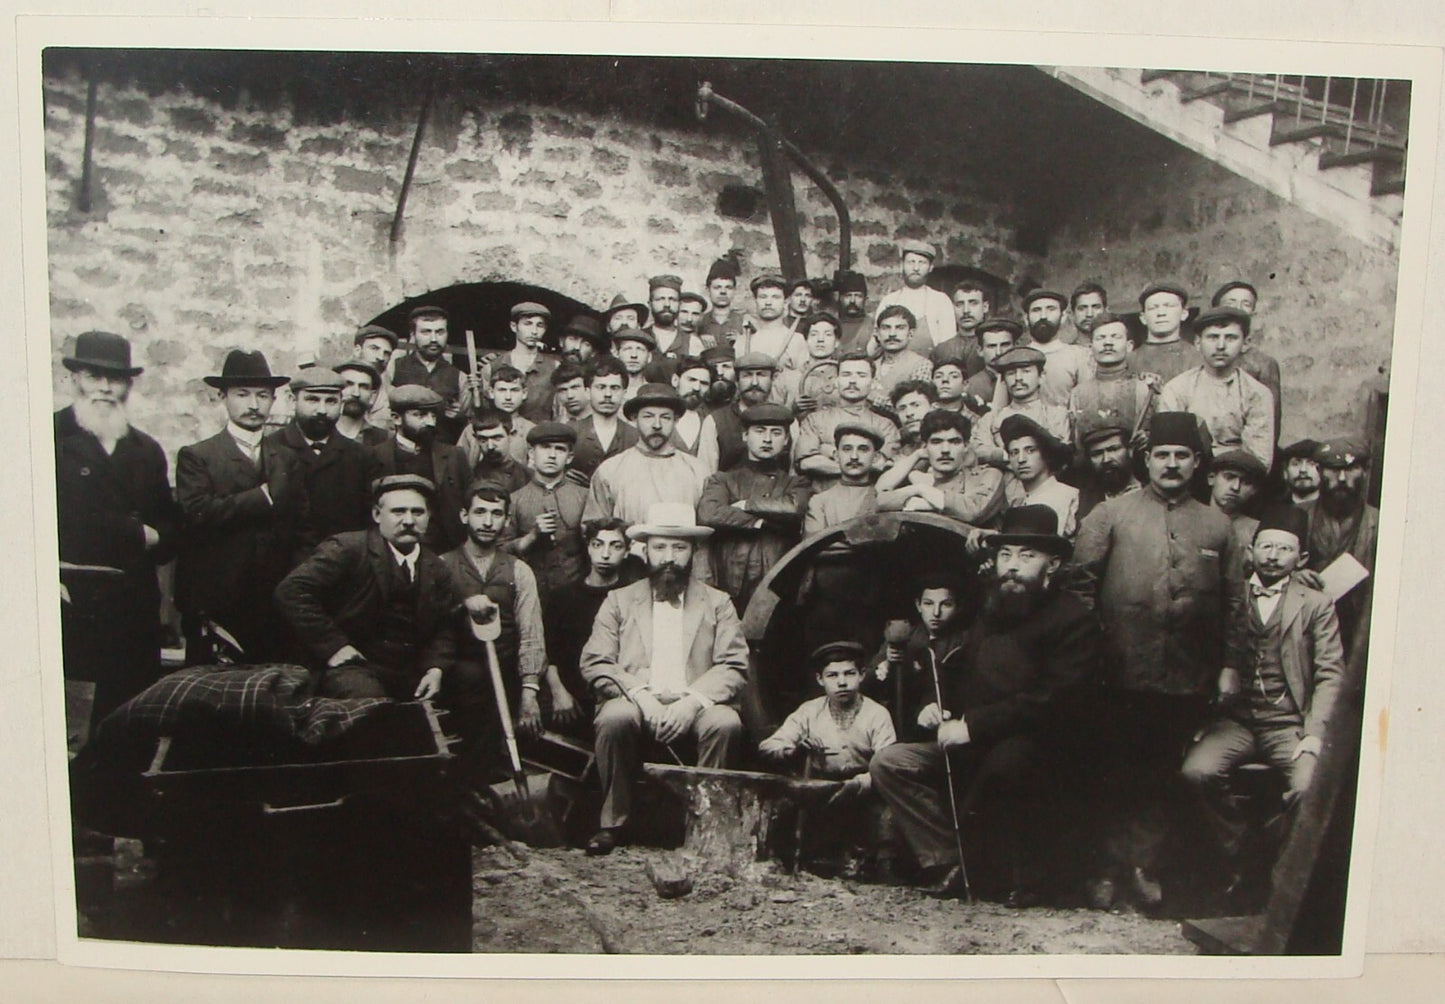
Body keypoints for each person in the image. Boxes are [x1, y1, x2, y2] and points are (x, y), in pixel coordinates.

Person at [1071, 412, 1246, 910]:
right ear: (1146, 460)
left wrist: (1230, 665)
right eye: (1162, 455)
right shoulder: (1111, 515)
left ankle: (1144, 867)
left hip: (1187, 675)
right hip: (1116, 673)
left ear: (1197, 464)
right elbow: (1079, 585)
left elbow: (1235, 602)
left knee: (1163, 773)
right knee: (1114, 770)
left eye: (1182, 456)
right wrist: (1093, 650)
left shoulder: (1218, 526)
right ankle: (1105, 868)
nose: (1171, 465)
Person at [869, 528, 1099, 903]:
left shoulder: (1073, 621)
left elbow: (1052, 700)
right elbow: (962, 670)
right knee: (889, 763)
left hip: (1034, 744)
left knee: (1003, 768)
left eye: (1026, 557)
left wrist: (972, 726)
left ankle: (989, 871)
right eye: (1006, 555)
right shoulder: (993, 609)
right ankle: (949, 859)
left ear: (1052, 565)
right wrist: (937, 704)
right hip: (971, 735)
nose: (1012, 567)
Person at [1181, 506, 1344, 901]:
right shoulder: (1230, 595)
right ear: (1250, 552)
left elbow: (1330, 674)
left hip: (1287, 722)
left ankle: (1273, 862)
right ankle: (1241, 856)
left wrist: (1313, 734)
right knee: (1196, 772)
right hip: (1236, 721)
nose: (1273, 556)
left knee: (1308, 787)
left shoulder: (1315, 604)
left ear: (1300, 558)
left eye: (1284, 549)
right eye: (1266, 546)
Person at [579, 504, 749, 854]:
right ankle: (614, 823)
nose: (668, 557)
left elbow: (733, 665)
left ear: (693, 552)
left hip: (697, 703)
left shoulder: (718, 603)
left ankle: (706, 824)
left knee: (726, 722)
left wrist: (692, 702)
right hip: (637, 701)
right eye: (660, 547)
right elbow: (596, 661)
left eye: (679, 547)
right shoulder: (619, 600)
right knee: (614, 717)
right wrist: (640, 696)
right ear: (645, 551)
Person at [56, 331, 182, 726]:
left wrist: (157, 536)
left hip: (131, 606)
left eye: (117, 379)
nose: (106, 388)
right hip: (71, 600)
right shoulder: (49, 437)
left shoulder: (145, 449)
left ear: (128, 385)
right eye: (95, 376)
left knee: (123, 723)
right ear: (75, 378)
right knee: (65, 723)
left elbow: (170, 523)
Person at [275, 475, 459, 702]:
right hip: (352, 666)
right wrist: (334, 647)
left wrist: (435, 668)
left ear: (429, 517)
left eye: (417, 512)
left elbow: (443, 626)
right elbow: (292, 591)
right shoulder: (348, 549)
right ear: (376, 515)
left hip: (408, 669)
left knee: (470, 681)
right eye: (398, 511)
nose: (409, 520)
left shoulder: (436, 567)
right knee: (368, 700)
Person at [174, 349, 294, 665]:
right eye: (242, 394)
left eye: (263, 396)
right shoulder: (198, 456)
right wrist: (261, 497)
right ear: (222, 397)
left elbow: (300, 523)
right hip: (218, 602)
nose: (254, 405)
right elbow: (196, 513)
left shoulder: (287, 458)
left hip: (274, 601)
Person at [760, 640, 897, 874]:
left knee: (887, 818)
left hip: (864, 790)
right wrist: (791, 750)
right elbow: (768, 746)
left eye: (849, 673)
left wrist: (859, 784)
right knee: (784, 811)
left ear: (862, 675)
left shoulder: (876, 715)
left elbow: (889, 764)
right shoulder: (809, 712)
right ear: (820, 679)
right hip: (820, 790)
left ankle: (877, 868)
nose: (842, 682)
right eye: (832, 675)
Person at [440, 480, 553, 748]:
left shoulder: (518, 570)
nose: (488, 522)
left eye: (496, 514)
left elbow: (531, 633)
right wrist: (462, 606)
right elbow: (431, 623)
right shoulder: (441, 566)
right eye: (480, 512)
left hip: (507, 672)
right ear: (464, 515)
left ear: (506, 519)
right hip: (457, 676)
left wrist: (529, 692)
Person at [696, 403, 810, 612]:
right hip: (728, 578)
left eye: (776, 433)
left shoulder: (796, 484)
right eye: (759, 431)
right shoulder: (723, 480)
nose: (767, 439)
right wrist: (761, 522)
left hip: (777, 581)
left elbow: (793, 508)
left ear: (786, 440)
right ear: (745, 436)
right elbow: (709, 514)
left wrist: (747, 505)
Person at [584, 383, 713, 564]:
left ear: (676, 420)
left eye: (665, 417)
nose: (657, 425)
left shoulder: (698, 471)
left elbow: (705, 539)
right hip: (628, 572)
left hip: (681, 570)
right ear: (634, 419)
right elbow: (595, 530)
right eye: (648, 416)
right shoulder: (611, 470)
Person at [264, 368, 378, 566]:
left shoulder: (362, 456)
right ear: (293, 401)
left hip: (342, 568)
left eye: (331, 401)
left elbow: (370, 523)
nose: (322, 410)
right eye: (312, 400)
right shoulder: (269, 449)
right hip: (280, 569)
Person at [543, 518, 645, 728]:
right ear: (588, 548)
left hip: (617, 698)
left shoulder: (634, 597)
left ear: (627, 551)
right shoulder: (562, 597)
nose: (605, 554)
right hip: (570, 701)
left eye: (615, 546)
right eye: (598, 545)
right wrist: (559, 693)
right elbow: (548, 653)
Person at [1159, 306, 1276, 470]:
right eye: (1213, 337)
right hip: (1188, 480)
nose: (1221, 346)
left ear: (1245, 343)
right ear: (1198, 343)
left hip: (1237, 479)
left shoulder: (1257, 394)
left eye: (1230, 338)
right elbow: (1169, 452)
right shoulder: (1177, 389)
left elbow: (1258, 460)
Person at [369, 384, 472, 553]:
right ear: (396, 418)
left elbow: (467, 501)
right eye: (420, 415)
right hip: (389, 549)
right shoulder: (375, 456)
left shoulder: (454, 455)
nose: (430, 422)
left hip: (444, 548)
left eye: (433, 415)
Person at [1300, 437, 1379, 650]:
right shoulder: (1298, 516)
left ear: (1365, 471)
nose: (1342, 478)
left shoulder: (1380, 523)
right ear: (1318, 470)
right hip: (1307, 629)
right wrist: (1293, 576)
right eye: (1334, 470)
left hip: (1360, 630)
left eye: (1351, 469)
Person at [502, 422, 589, 601]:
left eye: (560, 449)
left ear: (569, 457)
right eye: (545, 448)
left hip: (577, 594)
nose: (551, 455)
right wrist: (532, 536)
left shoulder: (585, 497)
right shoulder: (514, 499)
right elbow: (500, 551)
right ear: (532, 453)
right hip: (530, 594)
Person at [876, 410, 1006, 527]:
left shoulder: (988, 475)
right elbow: (881, 498)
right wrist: (916, 456)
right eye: (936, 442)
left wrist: (923, 492)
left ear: (966, 446)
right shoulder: (920, 479)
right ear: (926, 447)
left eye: (954, 442)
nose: (945, 450)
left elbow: (973, 511)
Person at [794, 351, 901, 491]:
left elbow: (881, 464)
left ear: (873, 382)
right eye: (846, 374)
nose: (852, 381)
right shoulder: (815, 420)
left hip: (869, 503)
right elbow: (807, 463)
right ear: (837, 381)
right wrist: (861, 465)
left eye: (861, 375)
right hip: (822, 500)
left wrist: (827, 451)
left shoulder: (885, 425)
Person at [1066, 311, 1155, 456]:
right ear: (1091, 347)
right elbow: (1078, 445)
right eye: (1101, 338)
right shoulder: (1078, 394)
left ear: (1129, 345)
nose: (1108, 343)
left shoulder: (1144, 389)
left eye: (1115, 337)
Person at [971, 346, 1072, 469]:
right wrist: (1004, 456)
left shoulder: (1056, 415)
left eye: (1026, 371)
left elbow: (1061, 452)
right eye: (1011, 373)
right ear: (1003, 380)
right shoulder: (991, 419)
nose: (1018, 378)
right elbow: (979, 450)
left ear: (1041, 377)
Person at [1211, 280, 1283, 446]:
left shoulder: (1263, 363)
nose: (1238, 308)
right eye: (1231, 303)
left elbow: (1271, 420)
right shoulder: (1203, 356)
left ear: (1253, 313)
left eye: (1246, 304)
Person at [392, 305, 470, 443]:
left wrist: (460, 416)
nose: (433, 339)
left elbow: (469, 424)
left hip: (442, 455)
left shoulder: (459, 376)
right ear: (413, 334)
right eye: (426, 332)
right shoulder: (394, 368)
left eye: (440, 332)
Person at [999, 414, 1080, 539]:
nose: (1021, 459)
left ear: (1046, 455)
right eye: (1014, 452)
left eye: (1030, 450)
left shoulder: (1063, 495)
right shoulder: (1022, 500)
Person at [479, 301, 561, 424]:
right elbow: (484, 411)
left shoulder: (554, 367)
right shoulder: (493, 366)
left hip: (541, 436)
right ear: (513, 326)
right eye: (527, 324)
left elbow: (559, 412)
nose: (534, 331)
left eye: (540, 325)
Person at [698, 352, 778, 474]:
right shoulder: (716, 421)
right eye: (747, 375)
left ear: (773, 378)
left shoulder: (787, 422)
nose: (754, 383)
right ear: (736, 380)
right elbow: (707, 475)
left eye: (762, 375)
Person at [873, 239, 956, 354]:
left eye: (922, 263)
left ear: (931, 267)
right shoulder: (889, 300)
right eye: (911, 262)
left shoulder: (941, 301)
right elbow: (875, 343)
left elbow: (948, 346)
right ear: (902, 265)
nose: (916, 268)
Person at [569, 355, 639, 483]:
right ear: (587, 392)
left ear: (624, 393)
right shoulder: (570, 432)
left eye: (614, 388)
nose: (608, 395)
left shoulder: (635, 437)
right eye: (601, 387)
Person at [804, 424, 884, 535]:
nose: (854, 456)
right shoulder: (820, 502)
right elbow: (813, 546)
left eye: (863, 449)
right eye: (847, 449)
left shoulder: (882, 497)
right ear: (836, 456)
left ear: (876, 457)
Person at [1019, 289, 1091, 408]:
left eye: (1051, 309)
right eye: (1036, 310)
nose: (1043, 316)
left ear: (1063, 316)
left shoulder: (1079, 357)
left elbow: (1085, 405)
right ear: (1026, 318)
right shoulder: (1015, 357)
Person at [1209, 449, 1268, 582]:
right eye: (1229, 477)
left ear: (1254, 490)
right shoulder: (1188, 519)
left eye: (1246, 482)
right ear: (1211, 478)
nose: (1236, 487)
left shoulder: (1258, 531)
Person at [459, 364, 533, 468]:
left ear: (524, 393)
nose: (508, 397)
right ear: (491, 392)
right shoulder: (472, 429)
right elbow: (459, 467)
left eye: (514, 390)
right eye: (502, 390)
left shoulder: (531, 430)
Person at [737, 274, 808, 375]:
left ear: (786, 302)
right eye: (763, 297)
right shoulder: (742, 342)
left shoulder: (796, 341)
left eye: (775, 297)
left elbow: (802, 383)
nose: (768, 303)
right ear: (755, 301)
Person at [1130, 281, 1196, 386]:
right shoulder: (1129, 360)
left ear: (1184, 313)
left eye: (1169, 306)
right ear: (1143, 317)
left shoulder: (1197, 357)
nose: (1161, 313)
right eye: (1153, 308)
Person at [870, 305, 935, 409]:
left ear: (911, 333)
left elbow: (915, 407)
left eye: (900, 328)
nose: (892, 334)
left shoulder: (921, 365)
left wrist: (871, 397)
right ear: (877, 333)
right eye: (886, 328)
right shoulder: (870, 365)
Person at [1075, 423, 1141, 520]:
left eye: (1113, 449)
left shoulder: (1153, 492)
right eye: (1097, 454)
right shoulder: (1080, 502)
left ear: (1130, 450)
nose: (1106, 459)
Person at [930, 279, 992, 376]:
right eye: (959, 304)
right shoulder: (941, 350)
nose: (966, 310)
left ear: (985, 307)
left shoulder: (994, 346)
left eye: (973, 303)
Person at [467, 408, 533, 495]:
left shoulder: (528, 477)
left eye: (497, 438)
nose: (490, 446)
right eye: (483, 440)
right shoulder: (469, 477)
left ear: (510, 436)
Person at [963, 318, 1023, 407]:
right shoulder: (971, 387)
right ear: (980, 350)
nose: (998, 352)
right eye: (992, 346)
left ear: (1016, 346)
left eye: (1005, 345)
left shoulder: (1026, 380)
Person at [354, 323, 401, 432]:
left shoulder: (393, 395)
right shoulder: (341, 388)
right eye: (374, 348)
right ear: (357, 350)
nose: (380, 357)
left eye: (386, 353)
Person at [333, 359, 391, 447]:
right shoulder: (319, 433)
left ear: (373, 396)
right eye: (348, 384)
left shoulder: (385, 440)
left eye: (364, 387)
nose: (356, 393)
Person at [669, 355, 714, 459]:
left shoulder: (711, 420)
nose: (697, 388)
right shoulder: (659, 416)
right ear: (675, 380)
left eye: (704, 383)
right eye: (691, 380)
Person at [700, 255, 747, 348]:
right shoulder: (700, 322)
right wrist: (698, 339)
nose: (723, 292)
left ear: (735, 290)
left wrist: (742, 341)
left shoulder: (744, 322)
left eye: (728, 287)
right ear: (707, 289)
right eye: (717, 287)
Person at [610, 326, 658, 411]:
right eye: (627, 349)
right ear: (616, 354)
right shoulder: (608, 391)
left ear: (649, 357)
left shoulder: (655, 393)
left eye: (640, 349)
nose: (634, 355)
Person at [890, 379, 939, 451]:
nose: (909, 413)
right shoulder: (896, 448)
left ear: (934, 408)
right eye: (902, 409)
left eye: (916, 405)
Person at [643, 274, 685, 356]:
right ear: (650, 304)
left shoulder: (692, 342)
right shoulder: (638, 338)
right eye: (660, 299)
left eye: (672, 299)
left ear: (680, 304)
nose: (667, 304)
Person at [833, 270, 872, 354]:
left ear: (865, 299)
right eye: (848, 296)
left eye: (858, 296)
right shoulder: (831, 326)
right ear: (840, 298)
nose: (852, 301)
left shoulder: (873, 327)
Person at [1279, 439, 1322, 505]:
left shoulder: (1335, 509)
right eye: (1296, 464)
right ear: (1285, 471)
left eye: (1312, 464)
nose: (1303, 470)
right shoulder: (1272, 510)